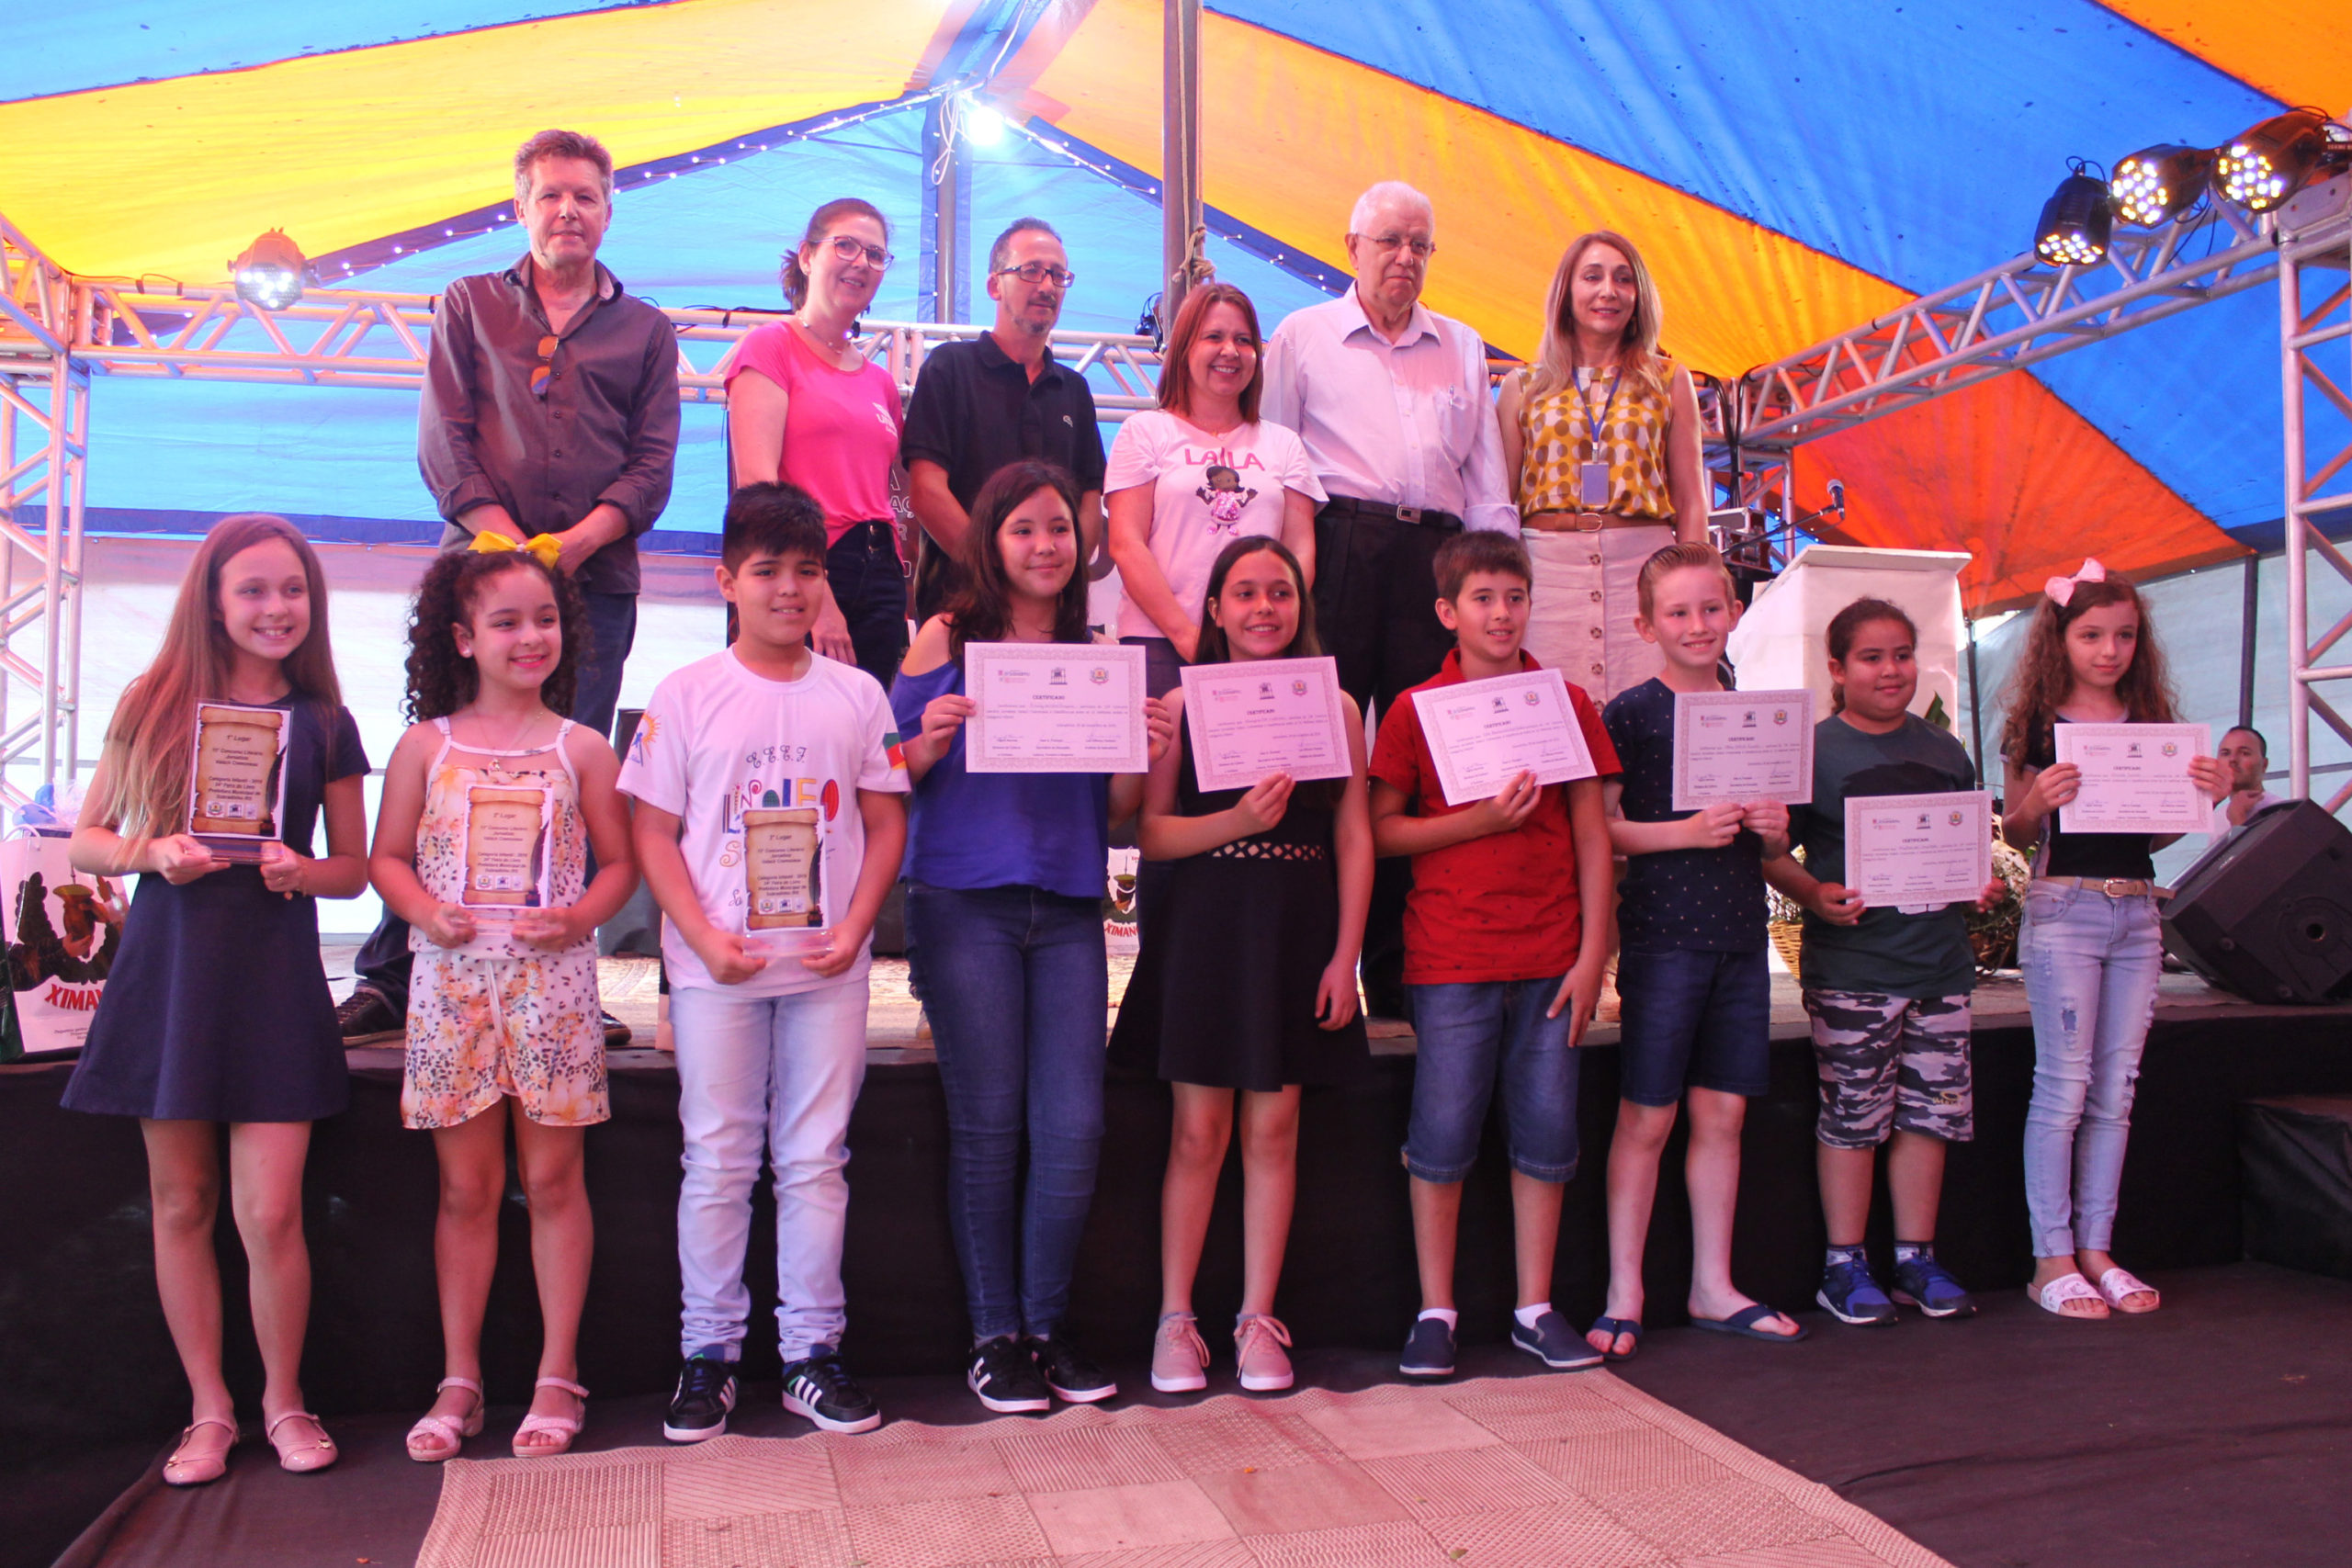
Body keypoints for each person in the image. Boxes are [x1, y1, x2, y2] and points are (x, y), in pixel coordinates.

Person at [347, 126, 678, 1045]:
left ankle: (563, 970)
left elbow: (652, 467)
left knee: (571, 779)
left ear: (608, 211)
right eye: (551, 194)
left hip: (595, 587)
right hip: (474, 586)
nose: (569, 209)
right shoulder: (467, 303)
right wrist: (509, 551)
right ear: (521, 207)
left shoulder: (648, 330)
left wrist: (570, 547)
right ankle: (393, 972)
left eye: (586, 195)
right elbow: (443, 443)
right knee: (443, 768)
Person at [62, 514, 371, 1484]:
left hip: (275, 980)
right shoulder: (152, 700)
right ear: (212, 599)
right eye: (254, 589)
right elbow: (87, 839)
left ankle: (285, 1400)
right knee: (182, 1201)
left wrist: (300, 870)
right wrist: (153, 852)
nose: (277, 608)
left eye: (293, 589)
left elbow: (354, 869)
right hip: (171, 977)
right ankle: (210, 1409)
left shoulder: (326, 719)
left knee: (271, 1212)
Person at [621, 482, 910, 1438]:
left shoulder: (859, 694)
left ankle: (810, 1355)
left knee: (816, 1160)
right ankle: (706, 1355)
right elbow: (653, 834)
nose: (790, 588)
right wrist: (704, 941)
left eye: (807, 570)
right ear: (726, 582)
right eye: (767, 570)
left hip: (827, 968)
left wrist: (856, 928)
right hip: (718, 972)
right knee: (716, 1160)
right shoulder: (685, 695)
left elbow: (885, 821)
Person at [893, 460, 1172, 1413]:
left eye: (1060, 528)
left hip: (1066, 906)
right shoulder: (946, 635)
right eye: (1024, 529)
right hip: (961, 901)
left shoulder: (1099, 655)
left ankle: (1047, 1327)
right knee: (989, 1125)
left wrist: (1143, 752)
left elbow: (1120, 811)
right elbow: (885, 769)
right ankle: (994, 1338)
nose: (1046, 545)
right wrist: (927, 737)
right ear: (991, 539)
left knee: (1073, 1126)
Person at [372, 538, 638, 1461]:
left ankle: (558, 1374)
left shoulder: (583, 748)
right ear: (463, 638)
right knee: (466, 1188)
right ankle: (461, 1380)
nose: (531, 638)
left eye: (546, 619)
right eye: (507, 622)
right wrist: (422, 910)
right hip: (450, 992)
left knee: (556, 1181)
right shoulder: (425, 746)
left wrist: (577, 919)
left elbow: (620, 865)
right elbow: (386, 859)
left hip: (553, 992)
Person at [1114, 536, 1371, 1395]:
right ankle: (1175, 1318)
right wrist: (1239, 822)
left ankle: (1258, 1316)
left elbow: (1353, 836)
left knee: (1275, 1129)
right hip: (1205, 932)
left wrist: (1346, 954)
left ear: (1302, 604)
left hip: (1297, 933)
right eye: (1246, 592)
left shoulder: (1335, 706)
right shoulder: (1181, 703)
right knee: (1198, 1132)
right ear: (1216, 608)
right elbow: (1150, 834)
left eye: (1281, 592)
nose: (1265, 607)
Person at [1262, 180, 1515, 1020]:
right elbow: (1274, 463)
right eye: (1389, 241)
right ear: (1351, 247)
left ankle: (1404, 970)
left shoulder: (1465, 344)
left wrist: (1493, 587)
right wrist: (1280, 584)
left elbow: (1486, 480)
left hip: (1434, 561)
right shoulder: (1302, 336)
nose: (1405, 257)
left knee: (1423, 759)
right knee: (1324, 755)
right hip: (1338, 546)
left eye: (1419, 244)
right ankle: (1313, 960)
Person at [1369, 529, 1618, 1380]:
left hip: (1552, 955)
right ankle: (1435, 1310)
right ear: (1449, 612)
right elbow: (1381, 829)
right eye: (1483, 599)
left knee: (1547, 1133)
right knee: (1441, 1134)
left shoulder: (1565, 701)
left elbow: (1592, 833)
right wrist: (1477, 820)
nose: (1502, 613)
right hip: (1451, 957)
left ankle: (1534, 1307)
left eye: (1515, 597)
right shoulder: (1415, 708)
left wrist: (1594, 952)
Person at [1762, 598, 2007, 1327]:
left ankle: (1915, 1258)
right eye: (1871, 657)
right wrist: (1814, 894)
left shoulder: (1946, 750)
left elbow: (1970, 852)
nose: (1891, 670)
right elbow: (1772, 855)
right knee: (1853, 1117)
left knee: (1930, 1118)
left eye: (1902, 654)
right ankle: (1844, 1265)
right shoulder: (1813, 751)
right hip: (1854, 972)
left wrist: (1980, 883)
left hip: (1941, 969)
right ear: (1837, 669)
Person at [1589, 544, 1804, 1359]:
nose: (1697, 624)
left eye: (1711, 608)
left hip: (1740, 942)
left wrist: (1775, 830)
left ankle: (1714, 1284)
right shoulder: (1632, 713)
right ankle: (1624, 1290)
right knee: (1648, 1114)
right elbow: (1599, 829)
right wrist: (1682, 832)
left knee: (1723, 1114)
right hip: (1663, 940)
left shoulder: (1753, 710)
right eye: (1677, 612)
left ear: (1735, 612)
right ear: (1647, 625)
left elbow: (1772, 838)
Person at [1999, 559, 2227, 1319]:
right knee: (2063, 1086)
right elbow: (2015, 832)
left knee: (2115, 1088)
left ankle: (2097, 1248)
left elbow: (2149, 834)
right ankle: (2051, 1257)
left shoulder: (2153, 724)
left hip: (2137, 910)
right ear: (2060, 639)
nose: (2109, 650)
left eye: (2124, 636)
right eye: (2092, 635)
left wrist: (2202, 799)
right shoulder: (2037, 725)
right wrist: (2036, 800)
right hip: (2065, 906)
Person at [1498, 231, 1707, 704]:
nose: (1608, 291)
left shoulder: (1669, 380)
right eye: (1592, 277)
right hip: (1548, 575)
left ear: (1639, 295)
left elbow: (1691, 497)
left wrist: (1692, 587)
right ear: (1566, 291)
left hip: (1645, 568)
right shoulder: (1522, 386)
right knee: (1551, 714)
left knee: (1649, 718)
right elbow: (1501, 503)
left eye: (1623, 279)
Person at [1104, 282, 1321, 699]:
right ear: (1185, 348)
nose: (1230, 351)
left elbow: (1300, 553)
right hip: (1159, 642)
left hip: (1258, 648)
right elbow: (1126, 545)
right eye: (1214, 337)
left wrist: (1268, 629)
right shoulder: (1144, 432)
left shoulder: (1284, 444)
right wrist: (1189, 637)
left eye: (1243, 340)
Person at [727, 197, 909, 693]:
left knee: (865, 720)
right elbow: (759, 488)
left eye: (875, 254)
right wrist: (817, 595)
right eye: (845, 246)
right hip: (805, 565)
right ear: (807, 257)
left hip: (880, 568)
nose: (861, 263)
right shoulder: (770, 346)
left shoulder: (880, 381)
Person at [899, 219, 1107, 626]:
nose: (1047, 285)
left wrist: (1057, 576)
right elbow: (926, 492)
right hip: (960, 611)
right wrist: (1000, 576)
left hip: (1051, 619)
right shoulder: (949, 368)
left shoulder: (1074, 390)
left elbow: (1088, 500)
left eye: (1058, 275)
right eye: (1031, 270)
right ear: (994, 285)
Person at [2211, 726, 2285, 840]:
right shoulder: (2217, 817)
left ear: (2264, 765)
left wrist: (2238, 820)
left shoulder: (2281, 812)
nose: (2232, 759)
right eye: (2225, 753)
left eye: (2244, 753)